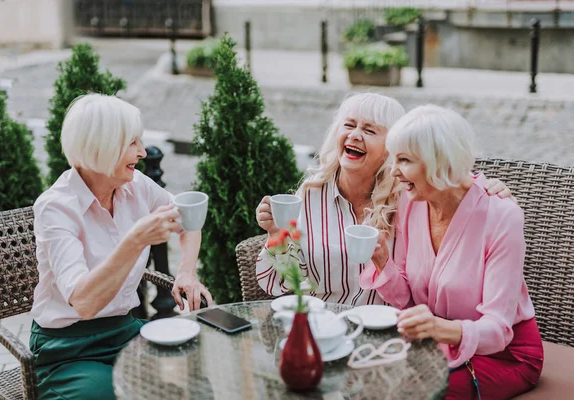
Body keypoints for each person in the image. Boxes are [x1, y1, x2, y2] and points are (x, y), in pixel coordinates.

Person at [29, 94, 213, 400]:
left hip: (124, 332)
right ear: (100, 145)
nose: (142, 152)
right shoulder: (56, 207)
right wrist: (136, 240)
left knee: (192, 375)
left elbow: (189, 220)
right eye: (132, 143)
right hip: (67, 347)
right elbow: (84, 302)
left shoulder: (136, 186)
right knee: (107, 394)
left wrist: (186, 273)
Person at [255, 93, 512, 306]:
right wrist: (276, 235)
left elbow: (448, 176)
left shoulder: (408, 198)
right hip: (323, 326)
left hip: (384, 332)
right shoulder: (311, 196)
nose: (355, 135)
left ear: (393, 148)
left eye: (369, 130)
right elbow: (278, 283)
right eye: (349, 125)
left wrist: (488, 188)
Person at [360, 104, 543, 399]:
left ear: (438, 163)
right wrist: (384, 264)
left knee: (411, 392)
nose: (393, 171)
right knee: (366, 375)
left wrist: (438, 328)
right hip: (439, 347)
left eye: (404, 160)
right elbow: (407, 298)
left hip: (505, 356)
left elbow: (498, 330)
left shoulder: (501, 215)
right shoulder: (411, 201)